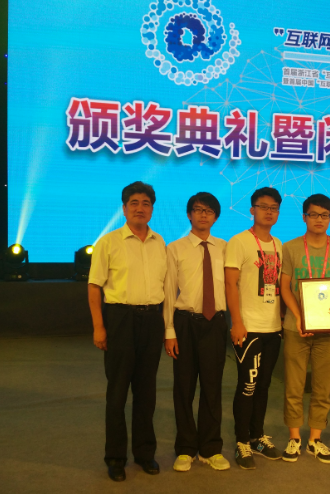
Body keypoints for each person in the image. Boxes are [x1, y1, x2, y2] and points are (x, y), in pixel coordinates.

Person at [88, 181, 167, 482]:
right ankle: (115, 458)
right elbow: (94, 287)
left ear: (152, 209)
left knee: (146, 393)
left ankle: (145, 453)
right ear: (124, 208)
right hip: (119, 319)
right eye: (134, 202)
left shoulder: (160, 242)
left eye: (146, 203)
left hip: (152, 320)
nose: (140, 208)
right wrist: (99, 327)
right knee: (118, 392)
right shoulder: (108, 242)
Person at [278, 193, 330, 464]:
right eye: (313, 214)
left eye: (324, 215)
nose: (319, 219)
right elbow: (285, 287)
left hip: (328, 331)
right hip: (295, 328)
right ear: (304, 217)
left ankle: (315, 439)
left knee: (323, 388)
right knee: (294, 386)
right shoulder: (290, 247)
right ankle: (294, 438)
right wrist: (298, 317)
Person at [163, 192, 231, 473]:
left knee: (213, 387)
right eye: (198, 209)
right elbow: (169, 291)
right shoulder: (175, 248)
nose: (203, 215)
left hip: (216, 323)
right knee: (184, 387)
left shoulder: (225, 248)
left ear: (216, 216)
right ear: (189, 215)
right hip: (185, 323)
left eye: (209, 210)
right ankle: (186, 448)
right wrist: (169, 330)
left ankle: (211, 448)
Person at [224, 187, 284, 470]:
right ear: (252, 210)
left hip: (273, 327)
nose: (269, 212)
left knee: (264, 386)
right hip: (248, 328)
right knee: (247, 386)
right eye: (263, 206)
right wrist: (236, 322)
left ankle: (257, 436)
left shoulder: (279, 244)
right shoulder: (239, 241)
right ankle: (241, 441)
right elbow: (230, 284)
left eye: (274, 208)